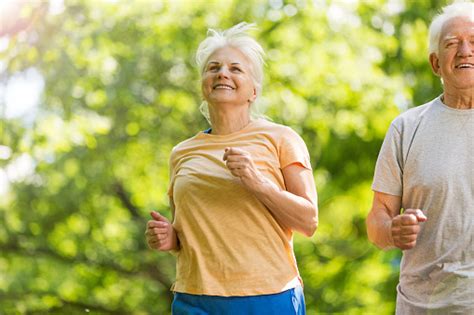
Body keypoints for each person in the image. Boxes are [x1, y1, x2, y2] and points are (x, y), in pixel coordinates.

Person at [146, 22, 318, 314]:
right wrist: (167, 238)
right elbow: (184, 236)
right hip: (194, 298)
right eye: (213, 68)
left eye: (235, 69)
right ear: (203, 86)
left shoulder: (281, 139)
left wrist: (257, 182)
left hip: (267, 295)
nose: (222, 73)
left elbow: (308, 221)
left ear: (254, 90)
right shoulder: (182, 153)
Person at [366, 2, 474, 314]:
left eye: (473, 41)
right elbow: (376, 220)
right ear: (435, 63)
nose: (465, 51)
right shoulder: (407, 128)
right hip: (423, 306)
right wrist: (391, 230)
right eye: (452, 44)